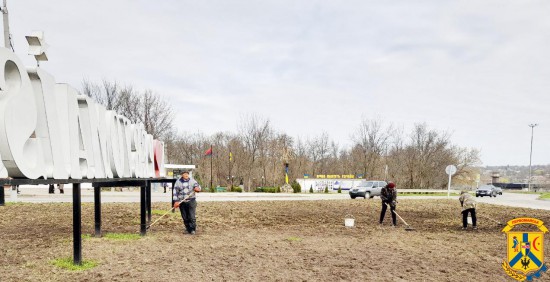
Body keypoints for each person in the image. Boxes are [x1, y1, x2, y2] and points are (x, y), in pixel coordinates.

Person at [173, 171, 201, 235]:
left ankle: (192, 229)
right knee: (185, 217)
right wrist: (176, 201)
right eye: (184, 174)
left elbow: (197, 186)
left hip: (191, 200)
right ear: (182, 175)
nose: (186, 175)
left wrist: (197, 188)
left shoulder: (192, 181)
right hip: (182, 201)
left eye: (187, 174)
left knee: (191, 216)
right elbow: (175, 192)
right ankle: (188, 229)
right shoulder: (178, 182)